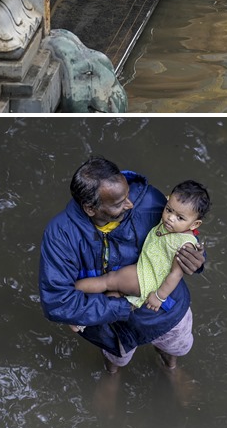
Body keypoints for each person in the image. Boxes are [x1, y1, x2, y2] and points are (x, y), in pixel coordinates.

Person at [39, 156, 205, 373]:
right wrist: (123, 307)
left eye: (127, 194)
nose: (130, 204)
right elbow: (56, 302)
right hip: (110, 323)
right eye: (119, 203)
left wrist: (197, 260)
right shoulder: (60, 235)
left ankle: (171, 369)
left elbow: (184, 235)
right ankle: (112, 376)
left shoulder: (150, 201)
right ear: (90, 209)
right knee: (115, 359)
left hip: (166, 311)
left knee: (173, 347)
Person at [71, 180, 210, 369]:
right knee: (112, 303)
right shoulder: (72, 231)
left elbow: (177, 273)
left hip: (149, 282)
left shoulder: (174, 230)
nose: (170, 218)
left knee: (109, 281)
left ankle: (72, 294)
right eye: (169, 210)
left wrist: (160, 296)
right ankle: (80, 320)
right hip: (142, 290)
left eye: (179, 217)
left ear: (194, 223)